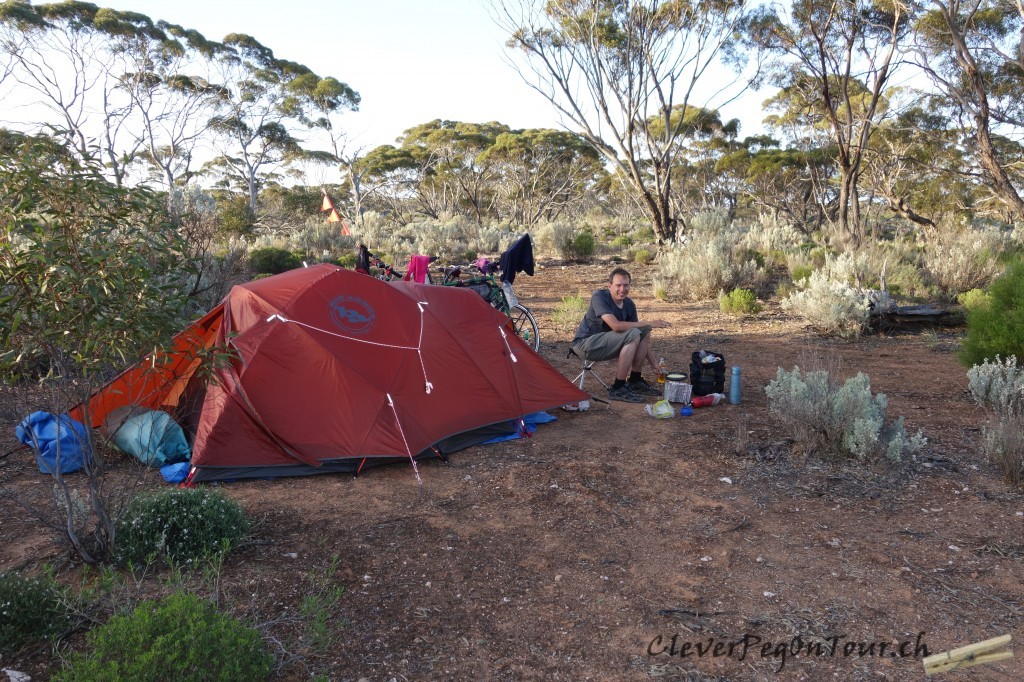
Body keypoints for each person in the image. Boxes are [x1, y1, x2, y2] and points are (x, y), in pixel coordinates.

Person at [572, 267, 670, 403]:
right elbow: (616, 326)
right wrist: (649, 322)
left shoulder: (629, 304)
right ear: (610, 286)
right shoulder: (599, 297)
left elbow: (641, 335)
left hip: (609, 344)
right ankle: (618, 387)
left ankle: (635, 380)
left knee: (644, 331)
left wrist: (654, 364)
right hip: (586, 344)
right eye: (618, 285)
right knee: (637, 331)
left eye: (626, 285)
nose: (622, 289)